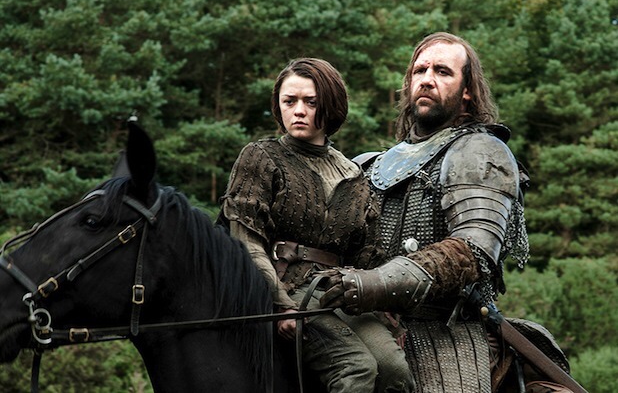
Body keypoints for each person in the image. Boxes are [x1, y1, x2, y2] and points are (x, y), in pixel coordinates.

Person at [319, 32, 532, 392]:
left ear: (468, 90)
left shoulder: (480, 151)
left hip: (442, 334)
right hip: (361, 326)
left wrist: (372, 284)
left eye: (443, 72)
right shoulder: (367, 165)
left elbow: (470, 252)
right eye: (420, 70)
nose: (427, 79)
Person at [219, 58, 414, 393]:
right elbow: (246, 241)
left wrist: (383, 311)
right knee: (356, 368)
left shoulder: (353, 174)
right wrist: (280, 305)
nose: (298, 111)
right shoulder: (261, 157)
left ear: (331, 106)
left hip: (342, 293)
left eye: (311, 102)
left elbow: (368, 255)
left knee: (395, 370)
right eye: (289, 101)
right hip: (286, 286)